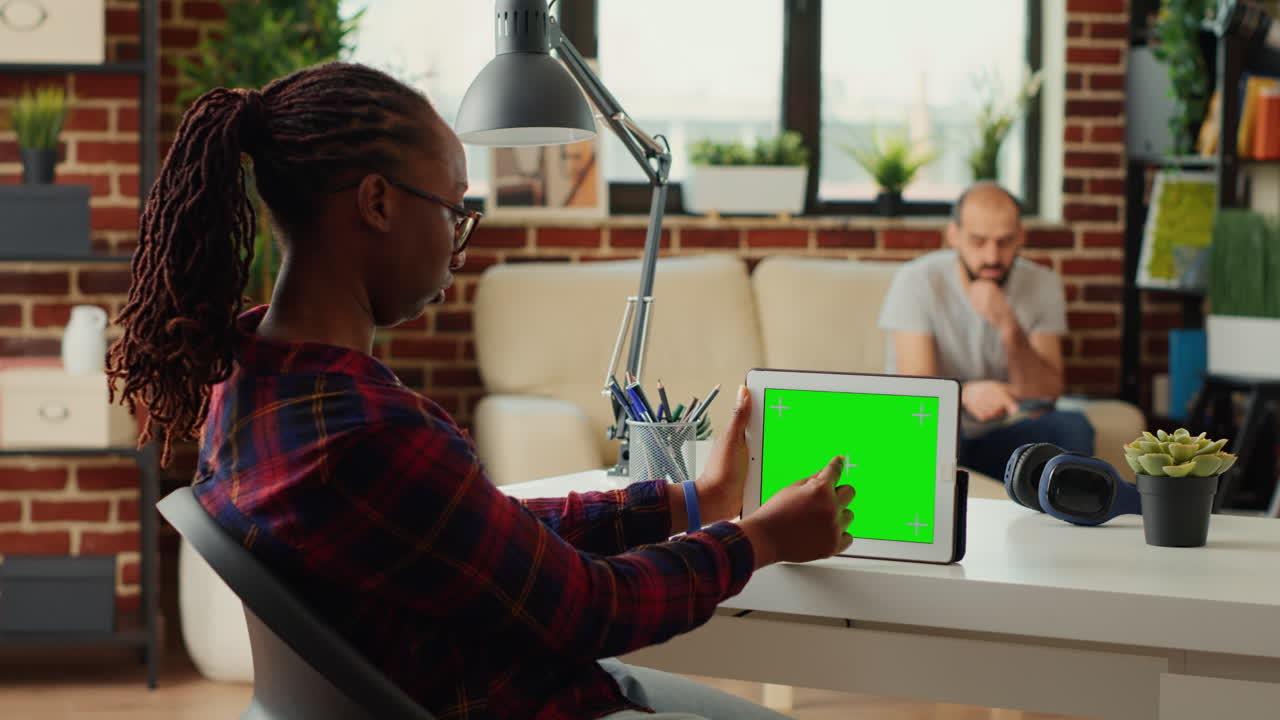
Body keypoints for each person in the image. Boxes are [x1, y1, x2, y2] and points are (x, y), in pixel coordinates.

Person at [105, 62, 855, 720]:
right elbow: (588, 607)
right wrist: (762, 539)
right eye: (455, 208)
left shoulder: (251, 377)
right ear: (377, 202)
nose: (460, 239)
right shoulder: (367, 432)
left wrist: (694, 502)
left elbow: (486, 531)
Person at [878, 181, 1095, 482]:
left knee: (1073, 427)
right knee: (916, 437)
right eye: (978, 242)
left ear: (1020, 237)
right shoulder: (917, 281)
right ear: (954, 236)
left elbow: (1044, 395)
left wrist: (1008, 325)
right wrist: (965, 395)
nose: (992, 257)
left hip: (1001, 434)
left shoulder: (1042, 284)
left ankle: (1066, 520)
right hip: (937, 433)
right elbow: (917, 393)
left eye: (1005, 242)